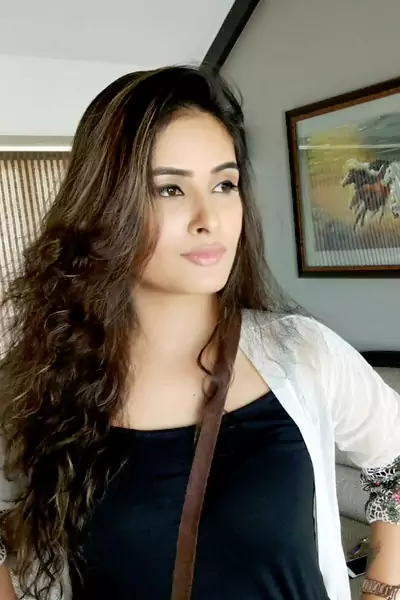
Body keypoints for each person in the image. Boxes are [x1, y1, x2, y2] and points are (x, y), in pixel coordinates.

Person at [0, 65, 399, 600]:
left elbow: (394, 457)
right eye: (170, 189)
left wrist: (382, 587)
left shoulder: (301, 353)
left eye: (224, 184)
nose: (208, 217)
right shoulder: (36, 384)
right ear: (104, 207)